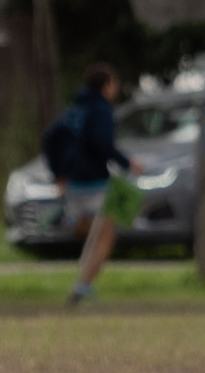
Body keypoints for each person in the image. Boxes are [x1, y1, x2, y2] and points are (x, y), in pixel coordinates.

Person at [51, 63, 142, 305]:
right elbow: (102, 143)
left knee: (92, 229)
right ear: (107, 85)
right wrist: (126, 163)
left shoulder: (74, 109)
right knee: (106, 235)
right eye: (114, 84)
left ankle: (69, 220)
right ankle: (83, 285)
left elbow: (51, 138)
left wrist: (58, 172)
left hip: (74, 182)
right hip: (96, 181)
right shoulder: (101, 109)